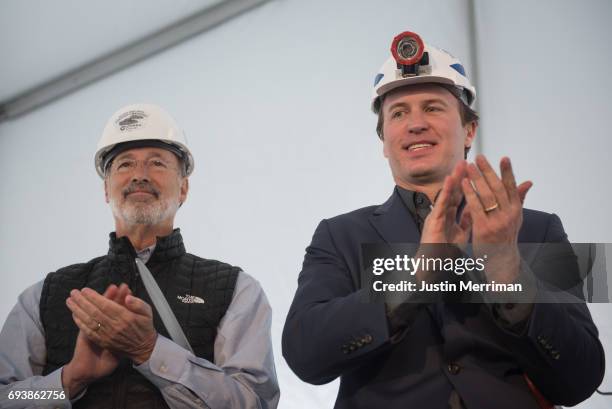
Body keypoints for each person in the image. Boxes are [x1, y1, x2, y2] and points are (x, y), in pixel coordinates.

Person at [282, 30, 605, 408]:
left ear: (469, 130)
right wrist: (415, 280)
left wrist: (508, 273)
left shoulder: (536, 230)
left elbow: (582, 377)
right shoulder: (340, 235)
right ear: (384, 142)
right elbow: (304, 353)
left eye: (433, 107)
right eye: (398, 113)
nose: (415, 124)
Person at [0, 103, 280, 408]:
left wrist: (150, 350)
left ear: (183, 188)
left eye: (157, 163)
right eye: (124, 164)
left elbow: (254, 401)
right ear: (106, 189)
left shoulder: (236, 289)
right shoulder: (45, 295)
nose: (140, 176)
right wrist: (69, 380)